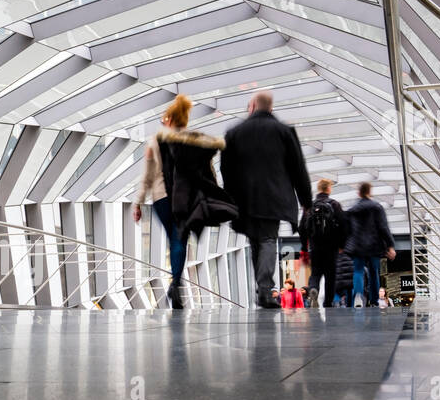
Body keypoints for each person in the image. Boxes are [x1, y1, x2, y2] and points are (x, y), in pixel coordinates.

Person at [220, 90, 312, 309]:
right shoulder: (283, 131)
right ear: (270, 108)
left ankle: (262, 289)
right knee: (268, 239)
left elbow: (226, 169)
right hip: (274, 196)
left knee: (255, 241)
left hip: (244, 198)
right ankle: (264, 288)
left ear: (252, 106)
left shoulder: (234, 132)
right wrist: (306, 200)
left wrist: (229, 198)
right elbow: (298, 167)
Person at [133, 93, 225, 308]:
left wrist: (138, 202)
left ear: (171, 119)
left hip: (161, 198)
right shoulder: (195, 140)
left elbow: (147, 175)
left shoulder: (155, 141)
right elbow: (207, 170)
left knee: (173, 237)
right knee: (180, 239)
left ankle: (176, 283)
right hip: (185, 198)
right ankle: (176, 283)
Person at [343, 182, 395, 307]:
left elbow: (346, 229)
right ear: (369, 192)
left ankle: (358, 296)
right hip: (374, 245)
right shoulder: (377, 207)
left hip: (357, 246)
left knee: (358, 271)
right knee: (373, 272)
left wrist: (344, 245)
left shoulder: (352, 210)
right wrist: (390, 245)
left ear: (359, 193)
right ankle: (374, 301)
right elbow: (383, 227)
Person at [299, 178, 346, 307]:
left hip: (315, 247)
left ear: (319, 189)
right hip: (331, 247)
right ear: (328, 189)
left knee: (315, 273)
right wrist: (341, 245)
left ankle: (313, 289)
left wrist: (304, 246)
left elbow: (302, 227)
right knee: (330, 276)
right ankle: (328, 303)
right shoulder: (334, 204)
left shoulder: (310, 206)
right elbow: (343, 225)